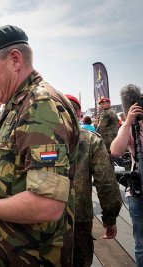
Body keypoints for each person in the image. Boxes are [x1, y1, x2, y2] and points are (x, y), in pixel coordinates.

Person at [0, 25, 79, 266]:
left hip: (30, 256)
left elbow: (47, 204)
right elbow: (20, 167)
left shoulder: (40, 105)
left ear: (15, 60)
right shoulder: (19, 103)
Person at [66, 94, 122, 267]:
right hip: (79, 217)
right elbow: (106, 183)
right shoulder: (91, 139)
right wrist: (109, 220)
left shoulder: (37, 138)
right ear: (79, 113)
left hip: (40, 217)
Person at [111, 84, 143, 267]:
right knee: (140, 243)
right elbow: (116, 150)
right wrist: (128, 121)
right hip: (139, 191)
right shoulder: (130, 128)